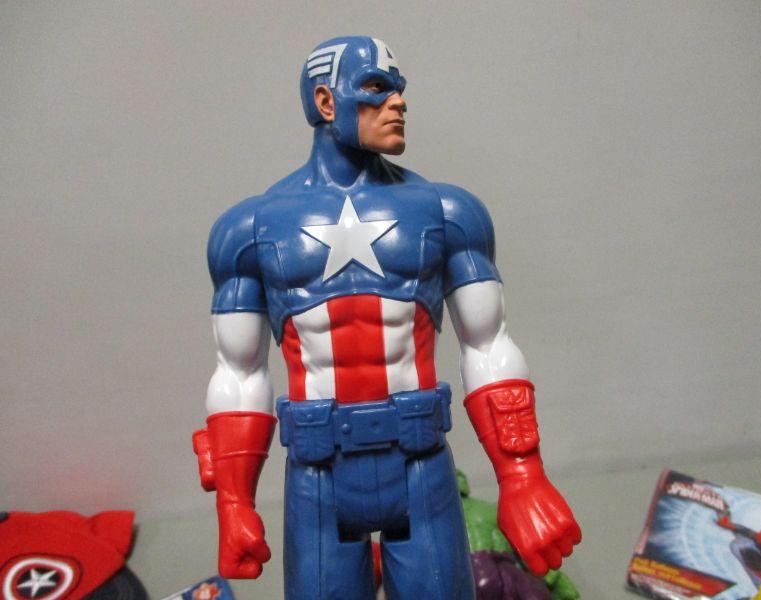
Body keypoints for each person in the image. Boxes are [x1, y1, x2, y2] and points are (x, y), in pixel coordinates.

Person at [192, 36, 581, 600]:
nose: (397, 101)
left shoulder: (448, 212)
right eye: (376, 87)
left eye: (399, 88)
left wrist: (522, 475)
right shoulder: (250, 228)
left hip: (419, 462)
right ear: (326, 102)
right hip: (318, 475)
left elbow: (488, 345)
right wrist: (233, 501)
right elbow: (238, 372)